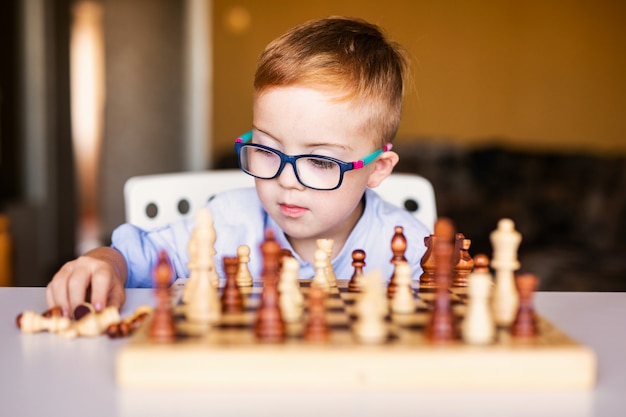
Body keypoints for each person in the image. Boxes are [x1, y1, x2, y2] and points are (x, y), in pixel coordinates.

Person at [46, 16, 431, 315]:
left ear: (378, 168)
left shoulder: (413, 250)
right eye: (265, 149)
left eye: (318, 160)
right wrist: (102, 264)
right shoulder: (227, 221)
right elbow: (136, 257)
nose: (285, 180)